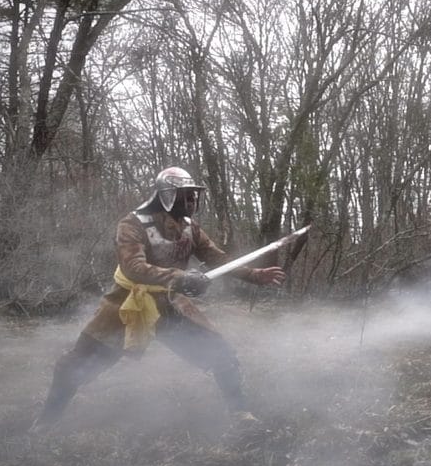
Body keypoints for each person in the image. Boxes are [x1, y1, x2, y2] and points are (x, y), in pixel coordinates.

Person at [34, 166, 285, 428]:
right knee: (74, 366)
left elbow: (216, 258)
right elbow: (134, 267)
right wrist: (181, 277)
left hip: (169, 303)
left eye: (193, 196)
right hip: (127, 302)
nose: (192, 202)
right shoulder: (132, 224)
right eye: (185, 196)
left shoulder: (190, 228)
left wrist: (255, 274)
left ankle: (240, 414)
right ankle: (45, 422)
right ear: (167, 196)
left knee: (220, 353)